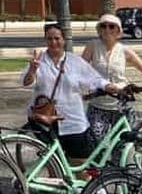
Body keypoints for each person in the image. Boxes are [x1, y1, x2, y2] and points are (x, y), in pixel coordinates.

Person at [21, 23, 119, 163]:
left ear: (64, 39)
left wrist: (109, 86)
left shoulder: (74, 61)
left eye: (57, 38)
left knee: (80, 161)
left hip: (72, 120)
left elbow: (94, 79)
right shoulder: (39, 60)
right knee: (54, 162)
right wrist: (32, 70)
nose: (54, 42)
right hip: (45, 120)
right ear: (45, 40)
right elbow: (27, 82)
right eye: (49, 39)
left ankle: (79, 184)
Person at [82, 13, 142, 143]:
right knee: (96, 141)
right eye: (103, 26)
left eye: (111, 27)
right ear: (99, 30)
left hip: (121, 102)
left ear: (118, 30)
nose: (107, 29)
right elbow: (81, 69)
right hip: (99, 102)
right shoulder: (93, 46)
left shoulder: (124, 50)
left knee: (124, 142)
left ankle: (118, 163)